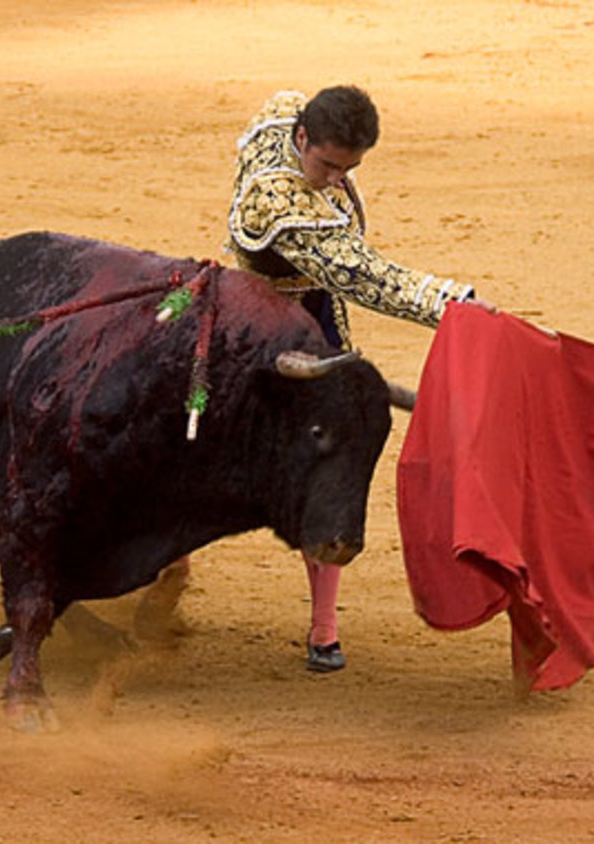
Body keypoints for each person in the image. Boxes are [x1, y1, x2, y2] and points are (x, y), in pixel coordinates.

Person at [136, 86, 493, 672]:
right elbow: (360, 272)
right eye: (327, 165)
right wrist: (453, 301)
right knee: (195, 450)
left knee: (330, 469)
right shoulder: (275, 204)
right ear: (302, 139)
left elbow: (282, 103)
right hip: (251, 329)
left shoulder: (287, 112)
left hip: (316, 320)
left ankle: (324, 624)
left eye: (347, 169)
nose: (334, 179)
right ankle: (167, 565)